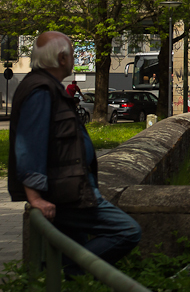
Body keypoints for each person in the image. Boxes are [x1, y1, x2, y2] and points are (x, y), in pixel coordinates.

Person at [8, 31, 141, 274]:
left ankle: (63, 276)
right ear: (61, 58)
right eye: (72, 53)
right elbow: (28, 145)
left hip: (70, 188)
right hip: (66, 193)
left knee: (76, 249)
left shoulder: (48, 87)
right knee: (127, 231)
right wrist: (35, 198)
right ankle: (57, 272)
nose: (75, 57)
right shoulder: (41, 90)